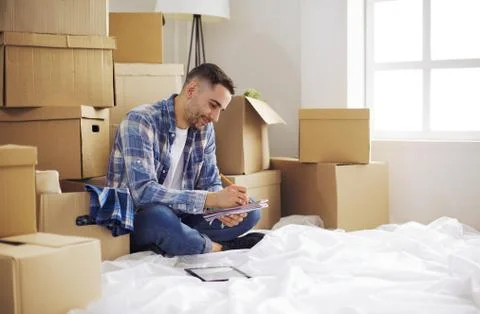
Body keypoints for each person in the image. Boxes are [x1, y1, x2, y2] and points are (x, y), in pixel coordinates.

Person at [106, 63, 263, 256]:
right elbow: (142, 193)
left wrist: (222, 209)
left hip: (182, 216)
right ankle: (218, 247)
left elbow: (210, 181)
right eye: (213, 105)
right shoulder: (140, 121)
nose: (215, 117)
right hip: (139, 218)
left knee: (251, 210)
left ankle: (182, 241)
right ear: (191, 90)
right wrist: (211, 199)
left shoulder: (204, 129)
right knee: (160, 218)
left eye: (221, 110)